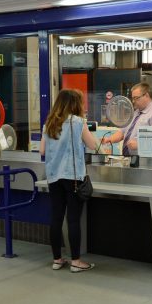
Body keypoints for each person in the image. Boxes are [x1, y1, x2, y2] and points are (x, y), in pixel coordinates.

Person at [40, 89, 99, 272]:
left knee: (56, 218)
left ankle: (57, 260)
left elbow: (42, 151)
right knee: (73, 220)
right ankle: (76, 261)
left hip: (53, 177)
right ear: (75, 104)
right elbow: (94, 146)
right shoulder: (78, 123)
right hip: (73, 177)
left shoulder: (49, 123)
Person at [101, 83, 152, 155]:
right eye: (132, 98)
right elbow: (122, 132)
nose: (133, 101)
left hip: (145, 161)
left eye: (136, 98)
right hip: (130, 159)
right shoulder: (135, 113)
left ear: (146, 95)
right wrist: (109, 139)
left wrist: (139, 144)